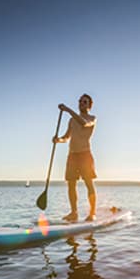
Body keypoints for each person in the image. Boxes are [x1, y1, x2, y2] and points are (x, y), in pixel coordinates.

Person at [53, 94, 97, 222]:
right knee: (71, 184)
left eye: (84, 102)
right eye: (80, 102)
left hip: (85, 155)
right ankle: (74, 213)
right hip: (72, 155)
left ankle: (92, 213)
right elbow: (67, 137)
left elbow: (83, 123)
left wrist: (67, 110)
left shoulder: (92, 118)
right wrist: (58, 140)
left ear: (89, 105)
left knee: (89, 183)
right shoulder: (72, 120)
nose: (81, 104)